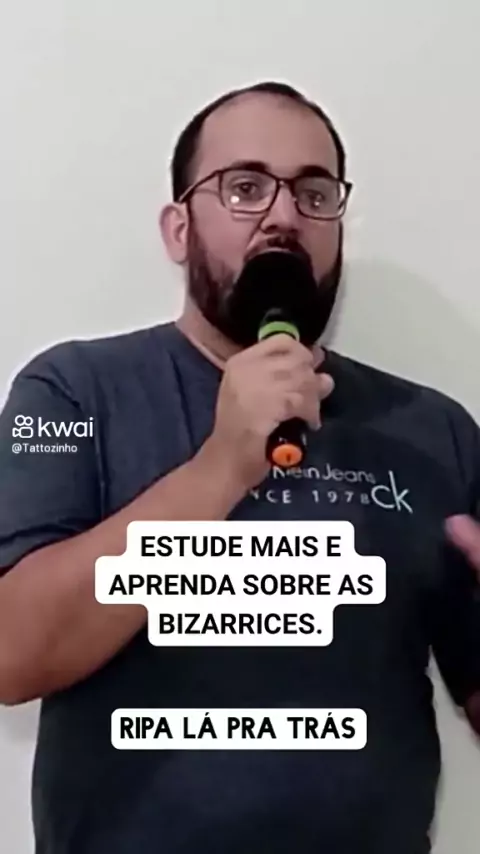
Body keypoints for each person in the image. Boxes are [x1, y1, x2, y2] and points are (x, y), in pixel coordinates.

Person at [0, 80, 480, 854]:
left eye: (314, 193)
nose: (284, 215)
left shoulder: (434, 429)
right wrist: (220, 468)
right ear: (178, 228)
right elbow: (12, 653)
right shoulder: (70, 392)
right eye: (245, 187)